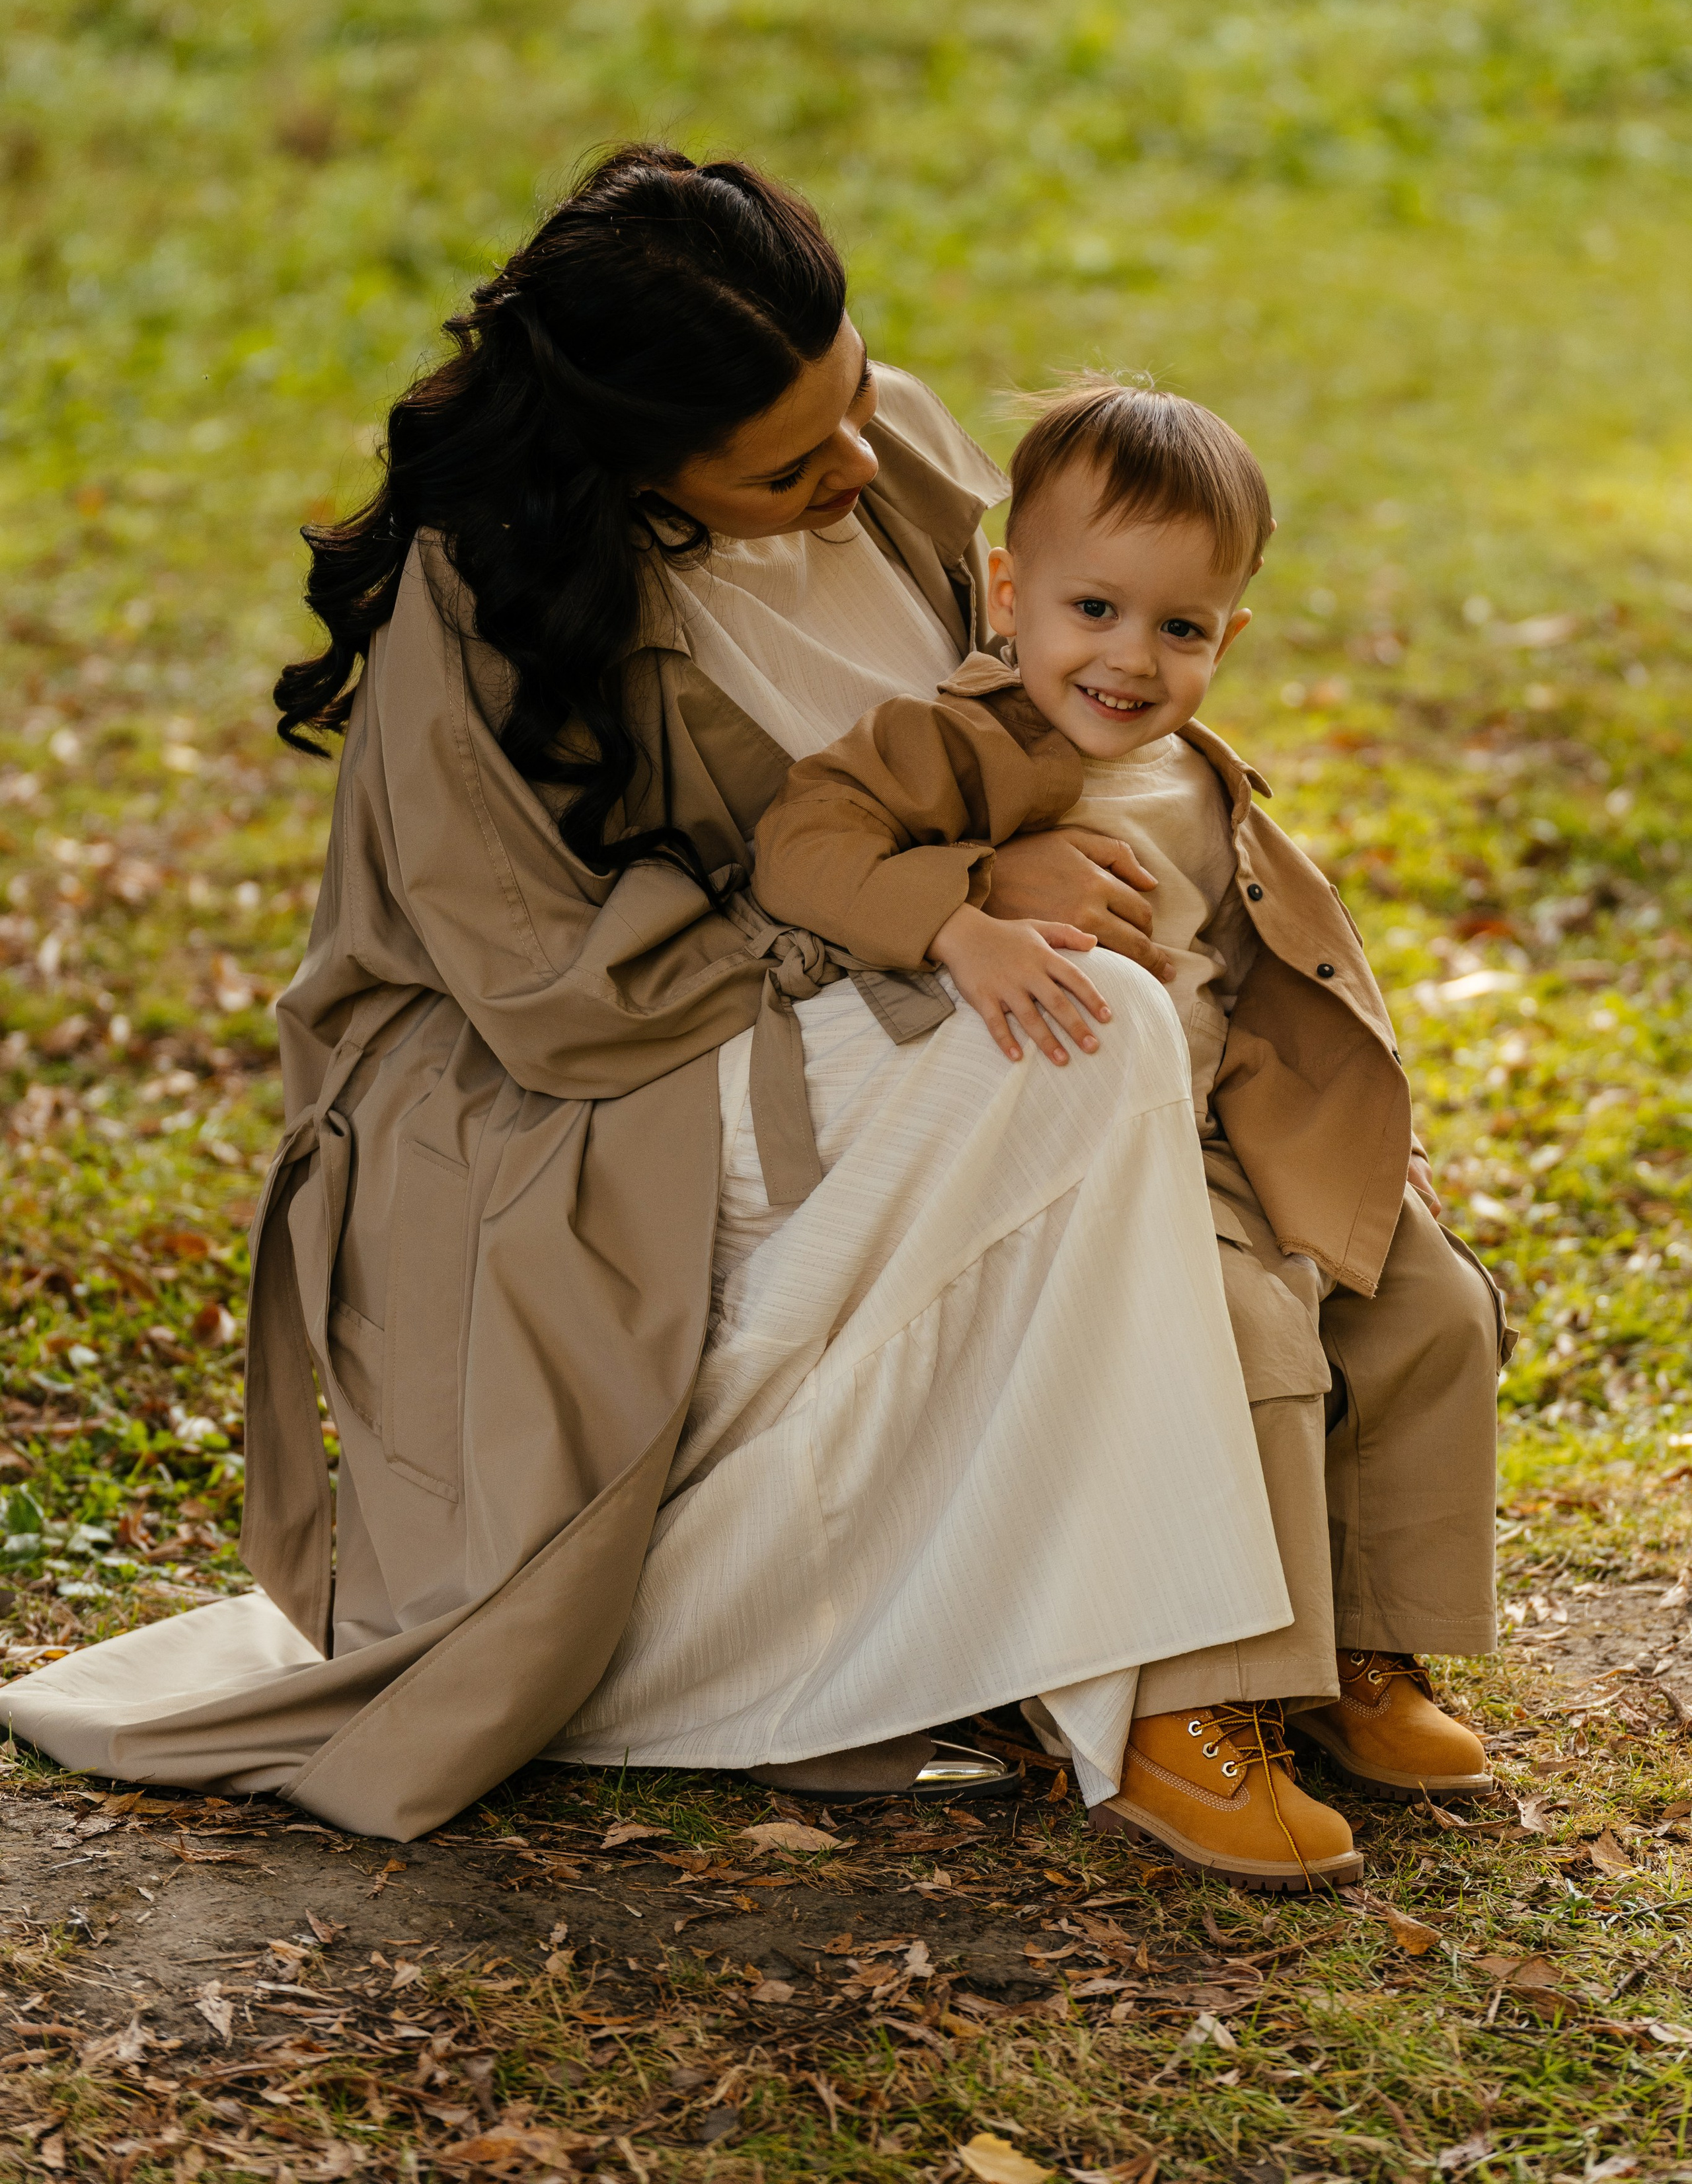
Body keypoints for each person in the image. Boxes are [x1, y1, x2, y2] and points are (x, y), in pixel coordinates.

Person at [5, 146, 1301, 1863]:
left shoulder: (886, 447)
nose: (861, 460)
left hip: (845, 976)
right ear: (636, 468)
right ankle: (1149, 1688)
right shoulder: (487, 614)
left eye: (849, 397)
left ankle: (1133, 1633)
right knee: (1093, 1036)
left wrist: (1026, 864)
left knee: (1128, 1023)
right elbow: (552, 989)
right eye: (788, 459)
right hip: (577, 1087)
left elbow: (1014, 711)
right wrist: (956, 912)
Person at [750, 382, 1513, 1883]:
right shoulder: (951, 739)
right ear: (1008, 592)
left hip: (1240, 1127)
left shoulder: (1200, 772)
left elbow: (1286, 966)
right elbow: (801, 843)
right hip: (1111, 1149)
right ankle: (1193, 1702)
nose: (1127, 658)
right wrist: (955, 913)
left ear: (1225, 638)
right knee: (1251, 1340)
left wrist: (1373, 1135)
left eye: (1178, 628)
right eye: (1091, 608)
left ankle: (1363, 1648)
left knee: (1424, 1306)